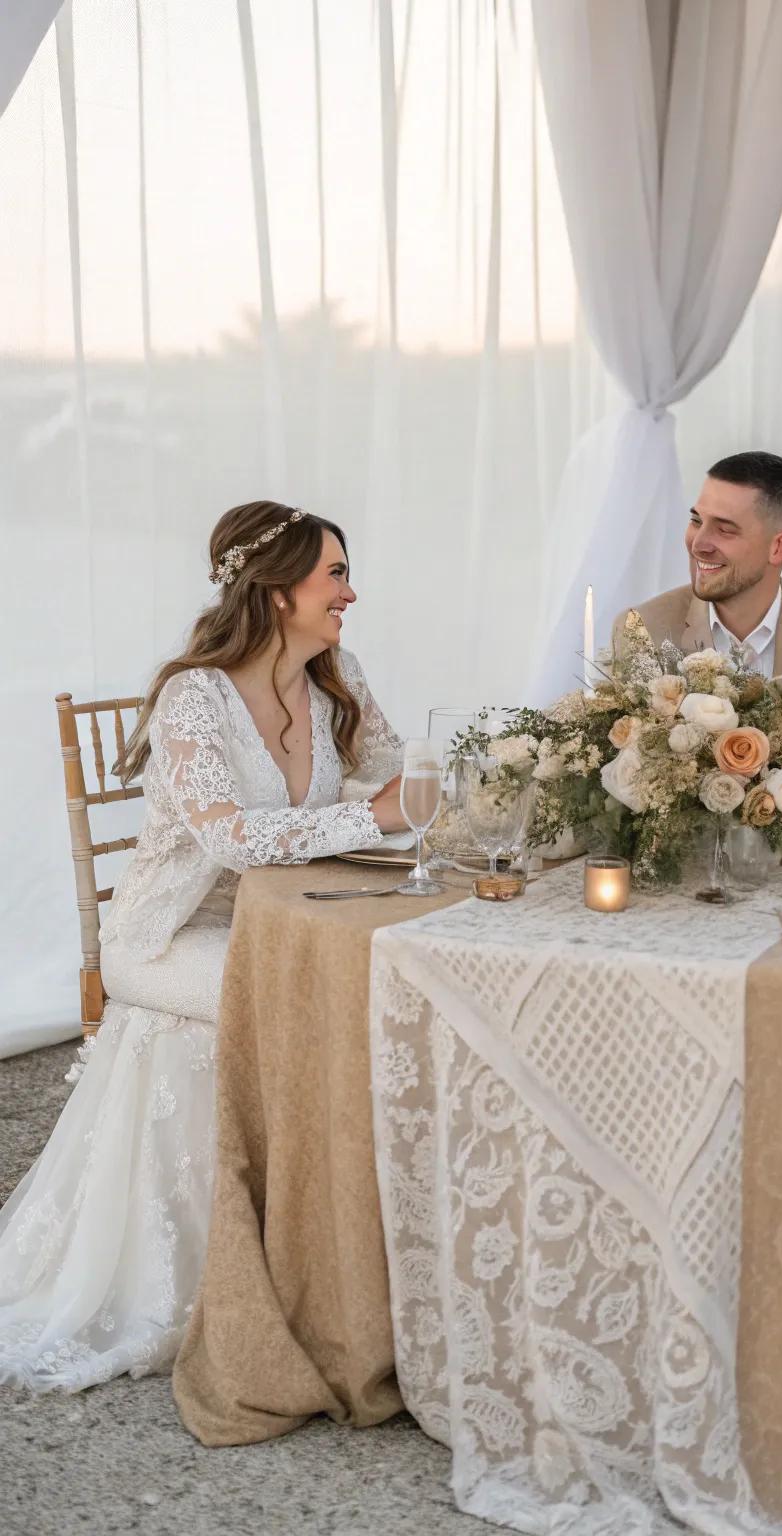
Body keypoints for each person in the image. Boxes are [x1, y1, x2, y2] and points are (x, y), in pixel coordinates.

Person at [0, 501, 408, 1392]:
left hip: (270, 918)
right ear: (277, 589)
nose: (351, 592)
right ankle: (267, 1267)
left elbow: (398, 773)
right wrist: (369, 815)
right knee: (312, 997)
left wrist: (445, 792)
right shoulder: (194, 696)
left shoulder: (338, 675)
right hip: (163, 935)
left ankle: (348, 1262)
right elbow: (227, 837)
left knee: (374, 975)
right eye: (334, 573)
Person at [614, 451, 782, 702]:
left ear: (779, 547)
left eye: (725, 530)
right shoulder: (642, 630)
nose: (699, 544)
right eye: (696, 521)